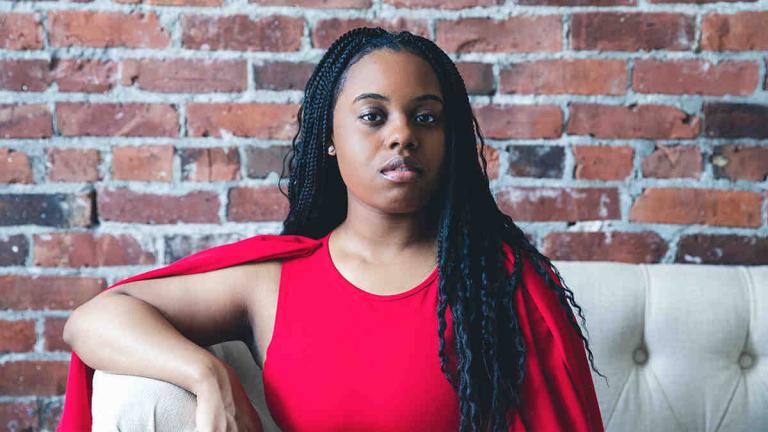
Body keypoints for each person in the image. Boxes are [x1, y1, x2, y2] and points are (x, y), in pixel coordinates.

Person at [57, 27, 605, 432]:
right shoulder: (271, 283)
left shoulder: (502, 284)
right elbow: (94, 319)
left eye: (426, 117)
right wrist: (207, 376)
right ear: (330, 138)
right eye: (373, 116)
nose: (402, 135)